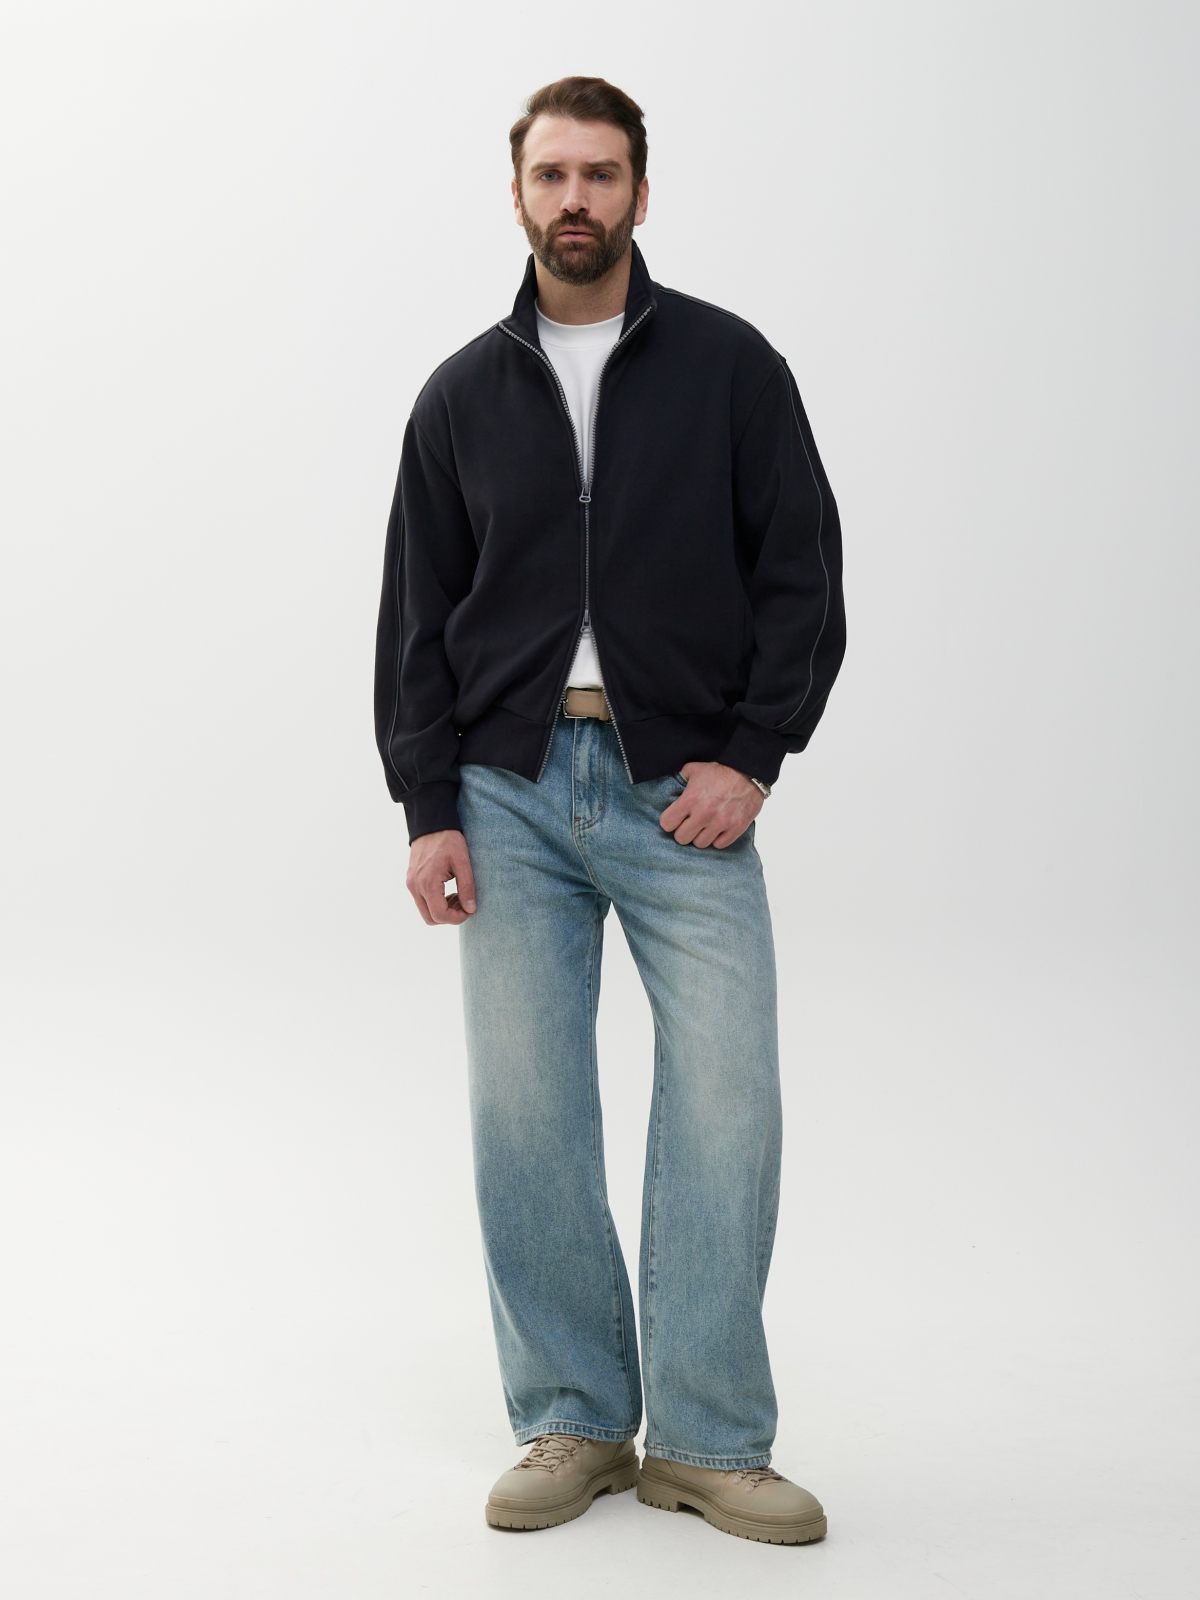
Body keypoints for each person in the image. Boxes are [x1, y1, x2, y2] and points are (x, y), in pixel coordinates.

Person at [373, 75, 846, 1544]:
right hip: (508, 791)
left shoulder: (731, 367)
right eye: (551, 174)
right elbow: (415, 616)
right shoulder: (461, 395)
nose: (574, 197)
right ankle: (574, 1419)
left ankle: (706, 1438)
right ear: (518, 194)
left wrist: (751, 755)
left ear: (641, 190)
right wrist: (428, 806)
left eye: (600, 173)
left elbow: (802, 572)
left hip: (682, 791)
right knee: (527, 1113)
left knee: (728, 1103)